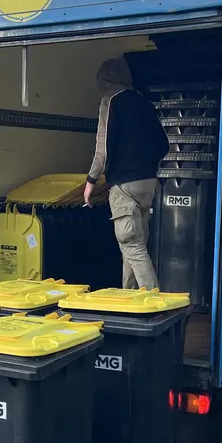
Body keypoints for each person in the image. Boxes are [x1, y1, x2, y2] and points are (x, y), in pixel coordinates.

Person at [83, 57, 169, 289]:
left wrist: (90, 182)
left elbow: (102, 150)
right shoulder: (144, 102)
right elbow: (164, 144)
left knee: (133, 246)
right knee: (131, 247)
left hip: (124, 186)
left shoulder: (110, 102)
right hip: (148, 185)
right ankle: (129, 299)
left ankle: (154, 304)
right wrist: (145, 165)